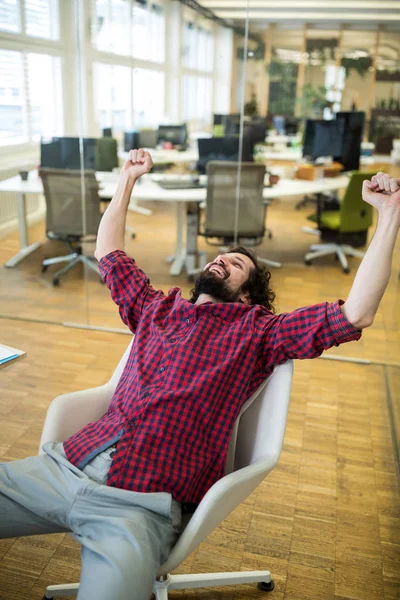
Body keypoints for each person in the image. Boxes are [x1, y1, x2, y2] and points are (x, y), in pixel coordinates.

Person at [1, 149, 399, 600]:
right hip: (66, 465)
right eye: (221, 257)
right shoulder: (156, 307)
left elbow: (357, 313)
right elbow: (108, 252)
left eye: (236, 265)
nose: (222, 261)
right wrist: (129, 177)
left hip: (138, 505)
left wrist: (389, 216)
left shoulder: (260, 333)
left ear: (248, 297)